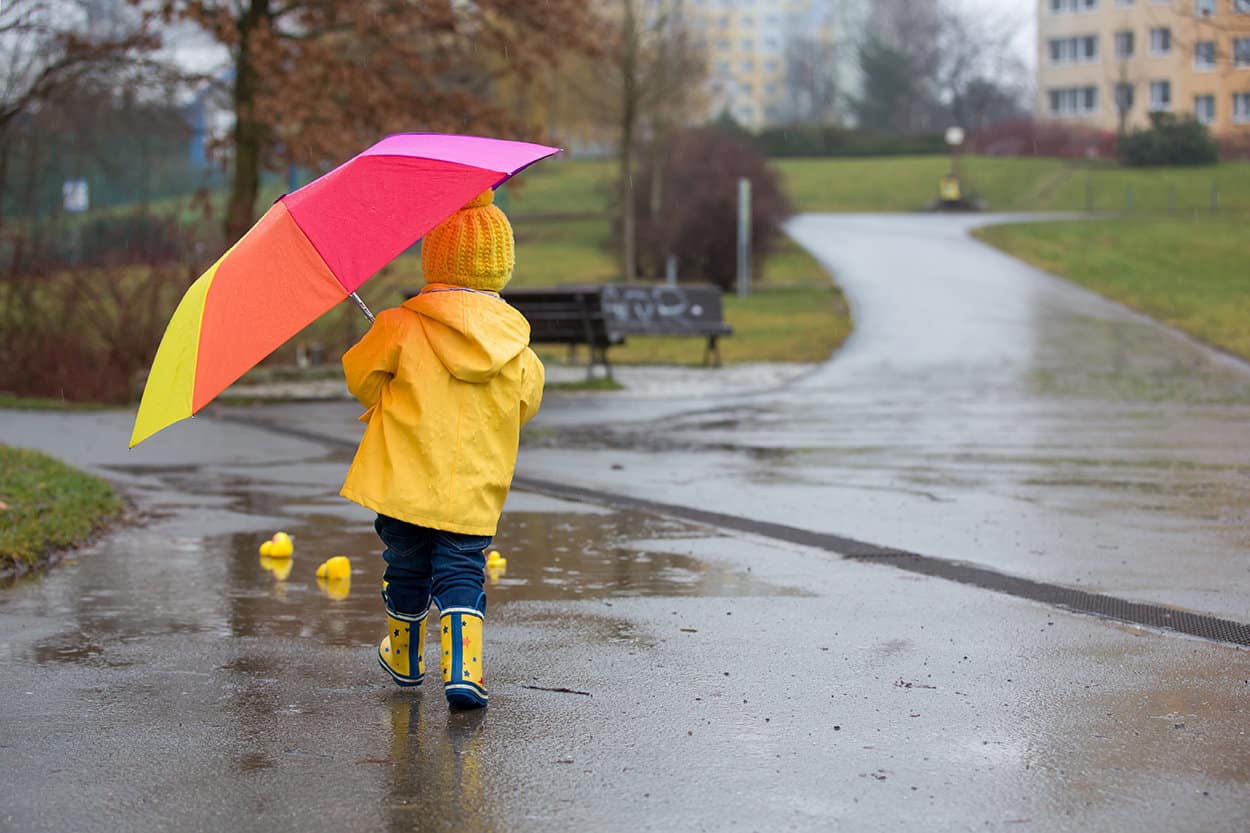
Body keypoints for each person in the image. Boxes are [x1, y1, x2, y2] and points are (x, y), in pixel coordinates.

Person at [339, 189, 544, 709]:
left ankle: (406, 659)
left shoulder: (399, 325)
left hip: (405, 484)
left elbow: (359, 377)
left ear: (435, 259)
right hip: (472, 488)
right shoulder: (515, 346)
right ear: (499, 265)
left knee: (405, 564)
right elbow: (527, 401)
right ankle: (464, 672)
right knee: (461, 569)